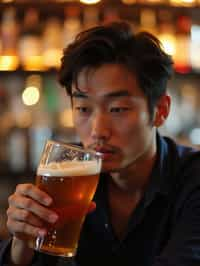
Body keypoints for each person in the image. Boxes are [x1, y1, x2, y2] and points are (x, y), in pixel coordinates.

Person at [1, 21, 200, 266]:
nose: (97, 131)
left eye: (117, 109)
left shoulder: (192, 179)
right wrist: (21, 247)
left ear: (160, 110)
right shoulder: (64, 174)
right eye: (83, 108)